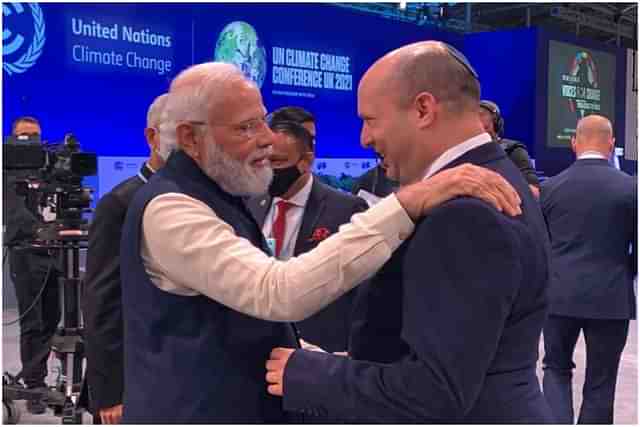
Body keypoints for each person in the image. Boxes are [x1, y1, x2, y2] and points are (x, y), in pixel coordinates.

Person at [119, 61, 522, 423]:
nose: (268, 140)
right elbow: (276, 292)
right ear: (190, 138)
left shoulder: (223, 195)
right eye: (246, 127)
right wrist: (406, 204)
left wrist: (324, 363)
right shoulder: (170, 210)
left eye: (263, 121)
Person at [265, 41, 553, 423]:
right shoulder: (499, 176)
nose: (364, 139)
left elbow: (435, 391)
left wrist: (307, 372)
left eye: (370, 119)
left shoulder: (465, 213)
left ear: (423, 109)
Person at [540, 115, 637, 424]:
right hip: (611, 297)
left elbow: (540, 246)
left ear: (574, 143)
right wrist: (626, 271)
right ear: (611, 145)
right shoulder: (631, 188)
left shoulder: (551, 188)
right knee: (601, 381)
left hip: (558, 296)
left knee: (555, 370)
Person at [81, 94, 169, 424]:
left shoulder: (196, 198)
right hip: (132, 378)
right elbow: (102, 302)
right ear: (152, 137)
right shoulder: (120, 203)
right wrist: (110, 392)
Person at [247, 115, 368, 353]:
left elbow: (360, 292)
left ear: (306, 161)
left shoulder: (346, 209)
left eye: (278, 162)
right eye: (262, 161)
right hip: (260, 344)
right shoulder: (249, 203)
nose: (268, 170)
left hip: (323, 352)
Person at [3, 117, 61, 415]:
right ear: (12, 139)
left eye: (34, 136)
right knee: (33, 322)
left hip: (56, 253)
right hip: (25, 253)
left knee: (53, 319)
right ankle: (34, 386)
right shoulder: (6, 171)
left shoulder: (50, 167)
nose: (29, 142)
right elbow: (15, 212)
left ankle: (43, 378)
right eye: (23, 137)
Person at [478, 99, 540, 197]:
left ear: (496, 121)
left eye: (481, 114)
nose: (476, 119)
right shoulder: (465, 153)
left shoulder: (514, 150)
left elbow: (534, 191)